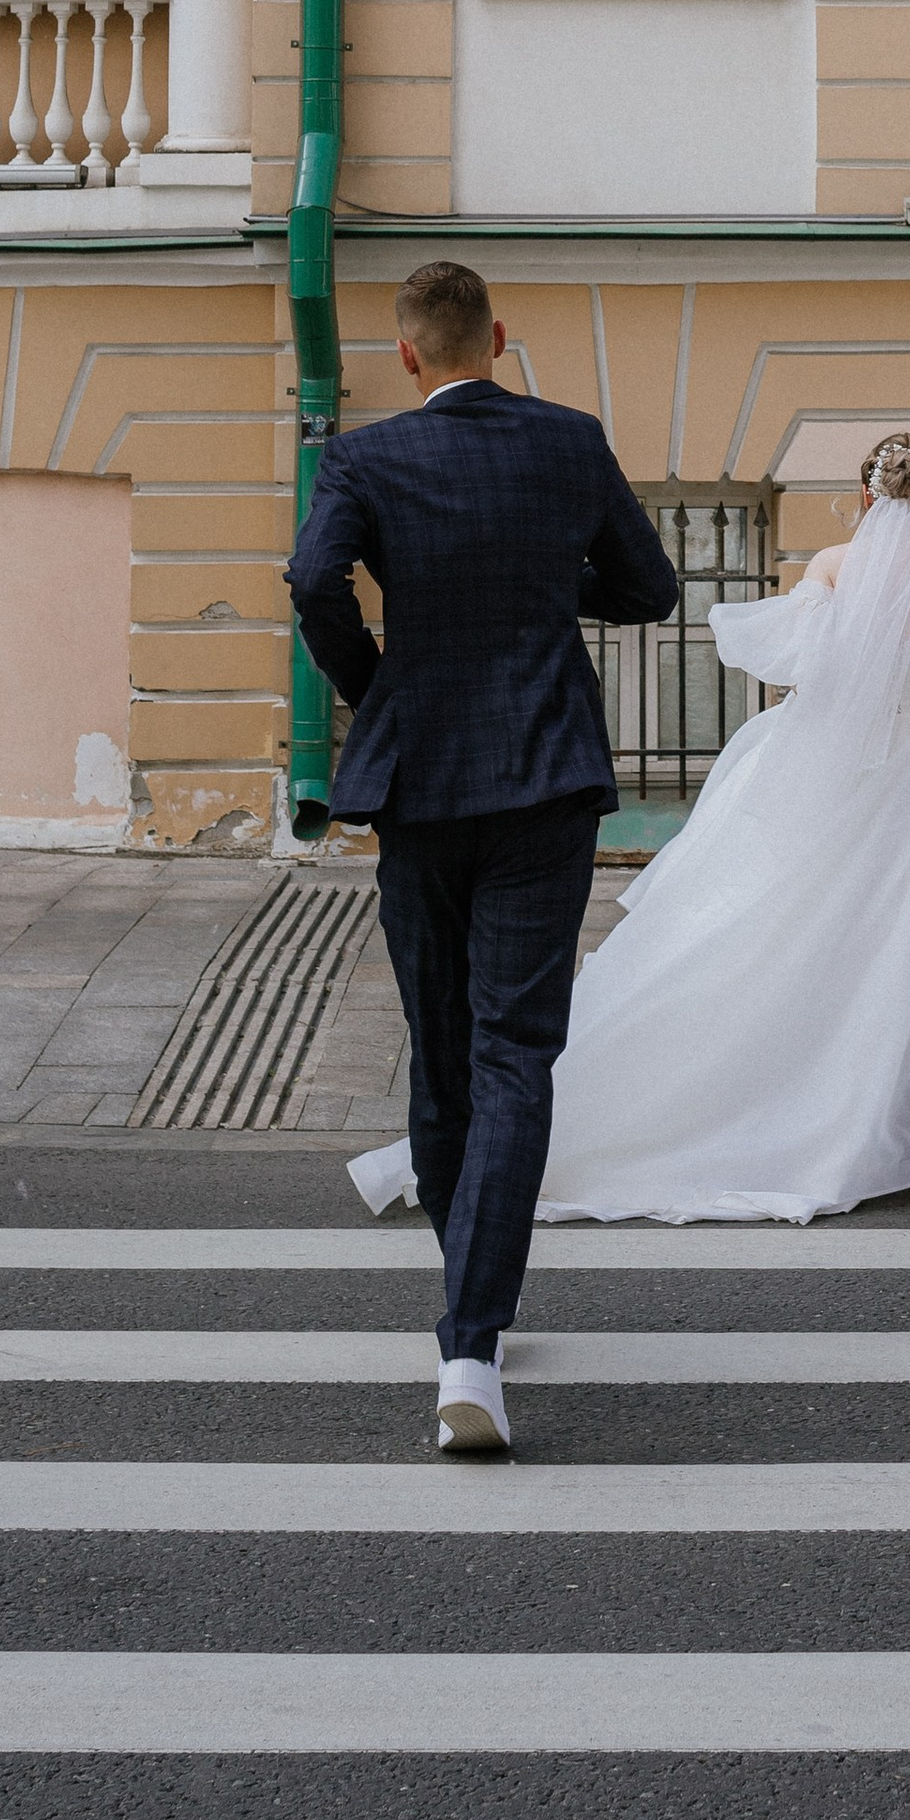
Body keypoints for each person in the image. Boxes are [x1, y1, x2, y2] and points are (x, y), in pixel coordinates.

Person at [286, 256, 677, 1455]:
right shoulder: (570, 440)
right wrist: (544, 584)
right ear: (497, 337)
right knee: (517, 1055)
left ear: (407, 354)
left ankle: (468, 1304)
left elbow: (310, 581)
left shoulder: (363, 457)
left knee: (443, 1046)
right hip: (546, 776)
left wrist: (378, 686)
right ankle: (473, 1345)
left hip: (422, 779)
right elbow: (651, 591)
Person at [528, 431, 910, 1222]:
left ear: (867, 495)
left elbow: (801, 662)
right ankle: (861, 1100)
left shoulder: (832, 566)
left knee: (774, 917)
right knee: (900, 932)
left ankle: (737, 1082)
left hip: (829, 760)